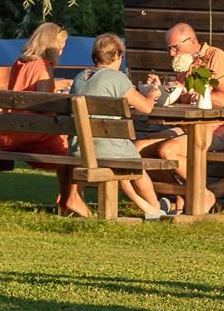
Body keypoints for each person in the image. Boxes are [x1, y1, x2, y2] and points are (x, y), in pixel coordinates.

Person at [68, 32, 165, 220]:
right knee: (136, 165)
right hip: (105, 147)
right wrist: (152, 94)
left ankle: (148, 208)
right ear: (116, 56)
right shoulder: (117, 77)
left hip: (79, 148)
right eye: (121, 56)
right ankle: (155, 207)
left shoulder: (80, 77)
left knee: (122, 159)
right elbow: (146, 108)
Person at [0, 24, 69, 163]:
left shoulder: (19, 63)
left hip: (9, 137)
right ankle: (67, 178)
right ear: (52, 48)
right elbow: (44, 105)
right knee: (73, 147)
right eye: (60, 48)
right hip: (35, 138)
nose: (60, 53)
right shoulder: (43, 67)